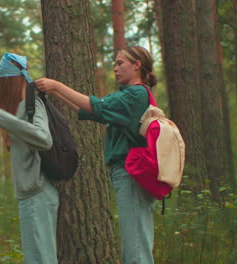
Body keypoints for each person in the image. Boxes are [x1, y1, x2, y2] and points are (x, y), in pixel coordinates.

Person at [35, 46, 157, 264]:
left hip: (131, 174)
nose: (115, 68)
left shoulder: (135, 94)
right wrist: (56, 93)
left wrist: (58, 85)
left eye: (121, 63)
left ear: (137, 65)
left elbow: (97, 106)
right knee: (135, 245)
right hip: (129, 173)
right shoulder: (128, 96)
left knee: (136, 248)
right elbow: (94, 111)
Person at [0, 53, 59, 264]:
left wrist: (1, 117)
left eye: (3, 81)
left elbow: (44, 139)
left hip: (38, 193)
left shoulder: (31, 103)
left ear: (10, 80)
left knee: (42, 259)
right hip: (31, 193)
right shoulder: (20, 106)